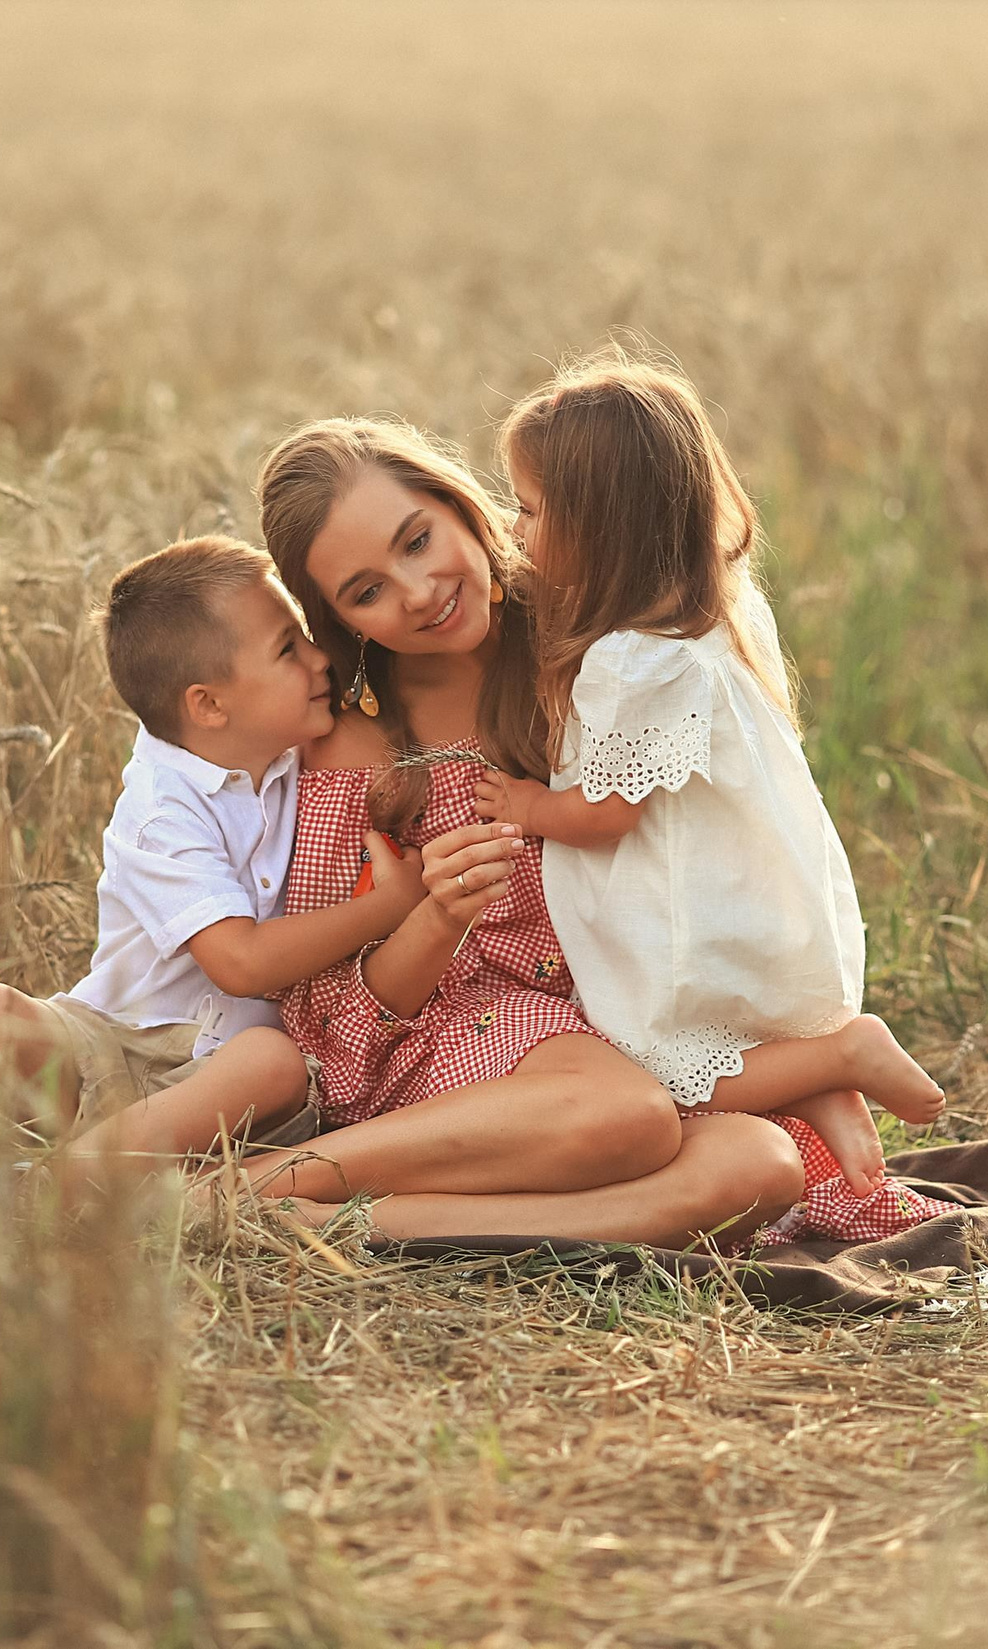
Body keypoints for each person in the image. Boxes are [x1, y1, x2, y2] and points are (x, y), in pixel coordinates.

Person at [236, 418, 818, 1248]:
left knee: (759, 1166)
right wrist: (436, 915)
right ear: (341, 619)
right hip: (454, 1061)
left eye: (417, 541)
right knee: (624, 1114)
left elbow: (724, 858)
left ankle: (362, 1225)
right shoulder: (360, 747)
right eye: (366, 592)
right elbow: (335, 1030)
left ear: (460, 505)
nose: (417, 592)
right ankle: (261, 1185)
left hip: (625, 1035)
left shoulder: (602, 655)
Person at [477, 349, 955, 1238]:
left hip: (673, 911)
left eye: (532, 511)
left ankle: (841, 1058)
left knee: (662, 1067)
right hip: (744, 884)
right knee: (739, 1048)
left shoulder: (628, 661)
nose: (515, 529)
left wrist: (526, 807)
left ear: (600, 527)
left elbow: (607, 814)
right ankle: (824, 1091)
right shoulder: (720, 610)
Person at [0, 535, 423, 1172]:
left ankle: (61, 1186)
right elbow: (239, 963)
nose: (320, 659)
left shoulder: (290, 750)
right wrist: (388, 908)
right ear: (208, 705)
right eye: (287, 649)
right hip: (114, 1046)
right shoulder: (162, 809)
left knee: (273, 1063)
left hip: (222, 1084)